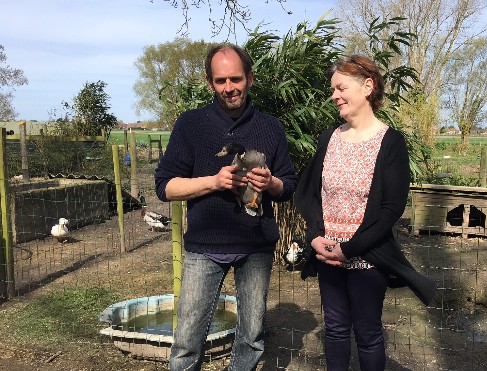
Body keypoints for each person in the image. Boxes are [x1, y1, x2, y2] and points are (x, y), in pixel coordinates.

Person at [154, 43, 298, 371]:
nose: (229, 87)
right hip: (204, 247)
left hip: (255, 246)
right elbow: (164, 186)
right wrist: (214, 182)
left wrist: (271, 183)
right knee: (187, 342)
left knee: (251, 338)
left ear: (249, 78)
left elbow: (288, 186)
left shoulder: (271, 127)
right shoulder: (191, 125)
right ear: (209, 83)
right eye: (220, 81)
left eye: (235, 78)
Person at [294, 55, 436, 370]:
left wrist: (349, 249)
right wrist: (315, 236)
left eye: (341, 88)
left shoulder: (390, 142)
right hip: (327, 253)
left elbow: (390, 210)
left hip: (367, 256)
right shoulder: (329, 137)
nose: (334, 96)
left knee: (368, 332)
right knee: (334, 329)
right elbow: (310, 193)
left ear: (367, 87)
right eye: (333, 89)